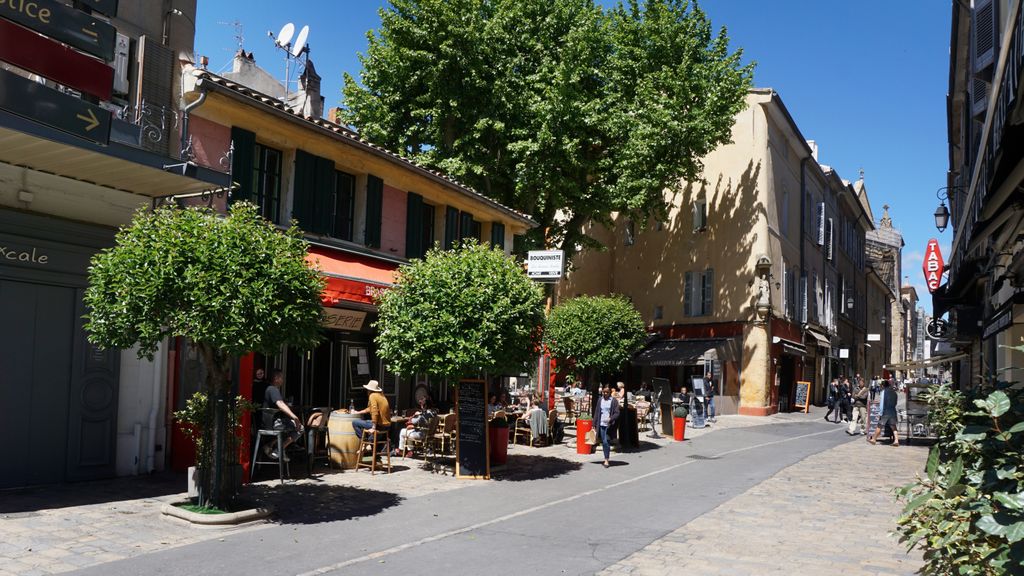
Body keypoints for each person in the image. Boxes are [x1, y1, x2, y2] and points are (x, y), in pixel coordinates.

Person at [262, 370, 302, 461]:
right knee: (300, 428)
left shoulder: (269, 389)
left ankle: (270, 445)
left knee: (289, 429)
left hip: (267, 422)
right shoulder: (273, 389)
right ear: (276, 379)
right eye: (281, 377)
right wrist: (294, 417)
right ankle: (278, 450)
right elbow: (280, 403)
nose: (283, 380)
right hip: (272, 423)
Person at [593, 385, 620, 468]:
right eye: (604, 392)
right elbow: (597, 412)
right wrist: (593, 424)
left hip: (609, 425)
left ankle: (606, 460)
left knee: (606, 441)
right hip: (601, 424)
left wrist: (610, 419)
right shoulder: (600, 400)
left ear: (610, 392)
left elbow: (617, 413)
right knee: (604, 442)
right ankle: (606, 458)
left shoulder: (614, 401)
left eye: (607, 392)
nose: (605, 393)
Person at [868, 379, 900, 447]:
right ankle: (896, 440)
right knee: (893, 426)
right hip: (893, 411)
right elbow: (896, 402)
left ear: (883, 386)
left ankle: (873, 439)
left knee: (880, 425)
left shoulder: (883, 392)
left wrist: (880, 413)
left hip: (885, 411)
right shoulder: (894, 392)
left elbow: (882, 404)